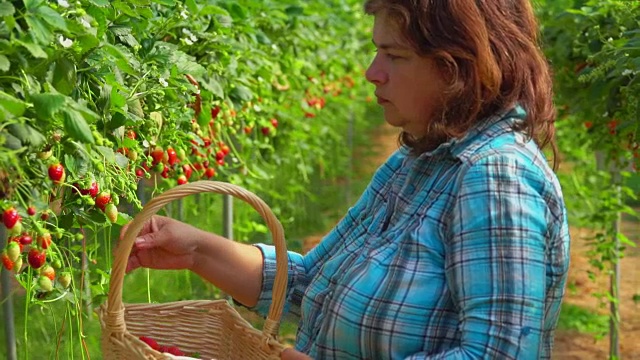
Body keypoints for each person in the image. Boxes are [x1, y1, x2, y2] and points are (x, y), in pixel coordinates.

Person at [123, 0, 571, 359]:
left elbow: (498, 354)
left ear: (458, 68)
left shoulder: (495, 177)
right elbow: (311, 282)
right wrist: (197, 250)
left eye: (395, 55)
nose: (372, 72)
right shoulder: (417, 164)